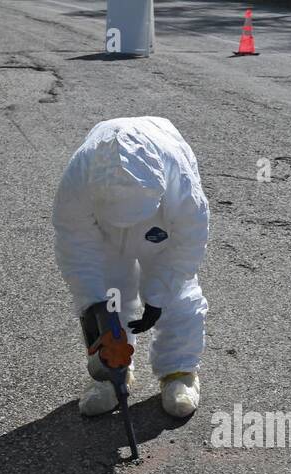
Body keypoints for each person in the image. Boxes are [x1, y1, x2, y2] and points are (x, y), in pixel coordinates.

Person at [53, 117, 210, 418]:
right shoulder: (78, 179)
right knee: (110, 292)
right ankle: (114, 375)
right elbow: (77, 248)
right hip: (103, 233)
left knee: (178, 296)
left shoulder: (180, 176)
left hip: (162, 228)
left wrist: (159, 294)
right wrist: (95, 306)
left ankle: (179, 372)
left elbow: (187, 244)